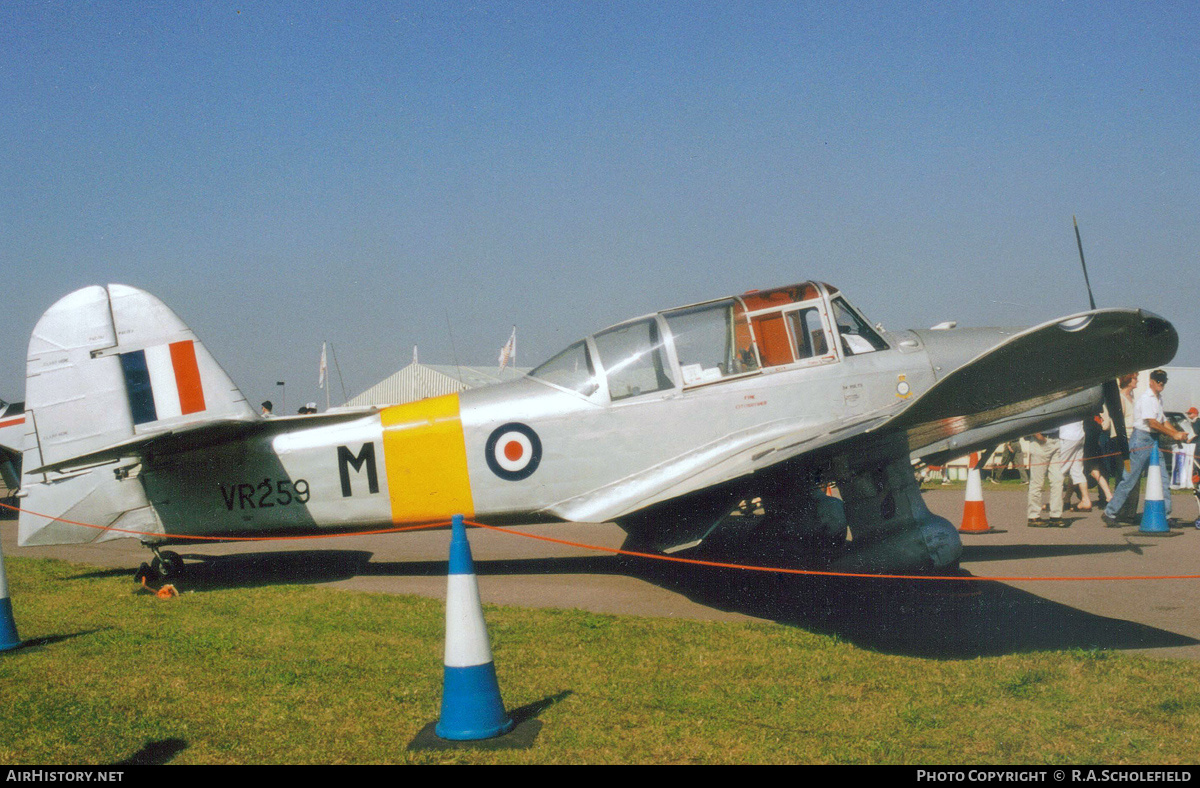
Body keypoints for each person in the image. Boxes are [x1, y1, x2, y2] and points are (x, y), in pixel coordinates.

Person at [1103, 369, 1195, 527]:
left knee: (1163, 479)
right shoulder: (1147, 398)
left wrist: (1177, 432)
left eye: (1163, 381)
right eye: (1158, 380)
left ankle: (1166, 515)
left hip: (1153, 441)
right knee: (1129, 479)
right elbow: (1152, 423)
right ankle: (1109, 512)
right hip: (1141, 439)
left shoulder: (1159, 399)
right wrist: (1173, 435)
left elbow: (1162, 420)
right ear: (1151, 381)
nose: (1161, 384)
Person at [1027, 429, 1065, 527]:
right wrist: (1039, 437)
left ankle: (1055, 516)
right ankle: (1033, 516)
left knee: (1058, 480)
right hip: (1041, 441)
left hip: (1056, 439)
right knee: (1037, 482)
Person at [1059, 420, 1091, 511]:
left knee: (1059, 469)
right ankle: (1086, 500)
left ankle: (1056, 502)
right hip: (1079, 434)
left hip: (1068, 435)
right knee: (1077, 470)